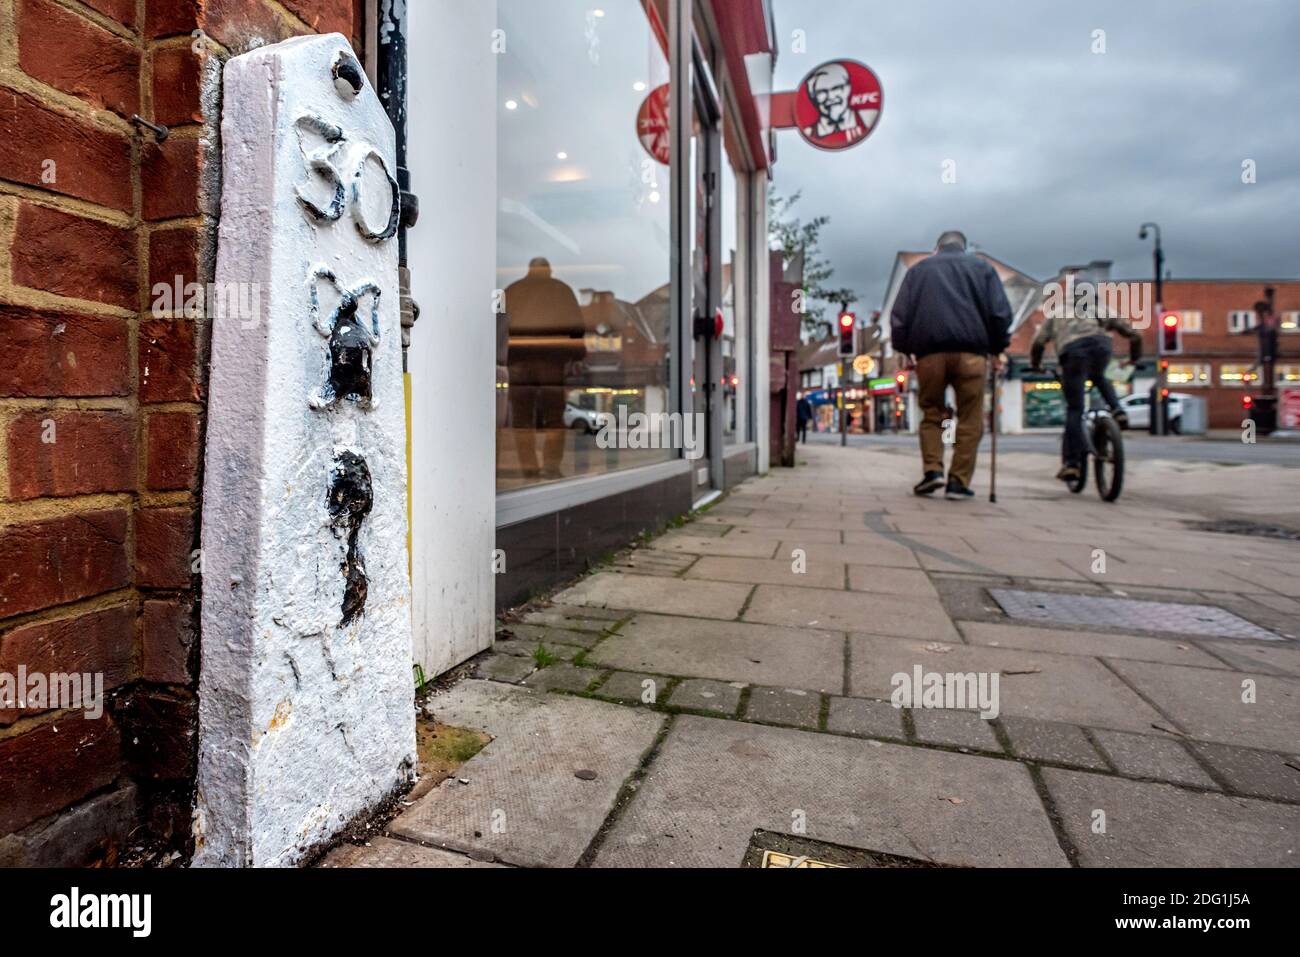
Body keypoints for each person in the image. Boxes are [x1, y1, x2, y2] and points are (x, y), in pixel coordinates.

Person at [891, 231, 1013, 500]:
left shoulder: (918, 271)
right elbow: (1000, 313)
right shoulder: (983, 269)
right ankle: (958, 481)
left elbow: (900, 315)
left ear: (937, 248)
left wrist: (904, 348)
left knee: (932, 413)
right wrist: (997, 348)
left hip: (929, 355)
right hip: (972, 354)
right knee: (970, 416)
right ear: (964, 247)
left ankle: (932, 471)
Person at [1030, 286, 1142, 483]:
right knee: (1098, 375)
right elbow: (1135, 334)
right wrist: (1134, 358)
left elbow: (1038, 342)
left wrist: (1036, 365)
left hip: (1073, 353)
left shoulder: (1059, 312)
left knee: (1075, 409)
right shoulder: (1099, 308)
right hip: (1101, 346)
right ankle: (1117, 410)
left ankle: (1072, 464)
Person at [503, 258, 587, 480]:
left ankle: (529, 470)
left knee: (522, 421)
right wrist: (577, 356)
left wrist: (501, 356)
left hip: (518, 360)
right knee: (554, 418)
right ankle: (550, 466)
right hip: (551, 360)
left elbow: (500, 324)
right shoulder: (561, 290)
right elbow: (577, 326)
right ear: (549, 270)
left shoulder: (513, 290)